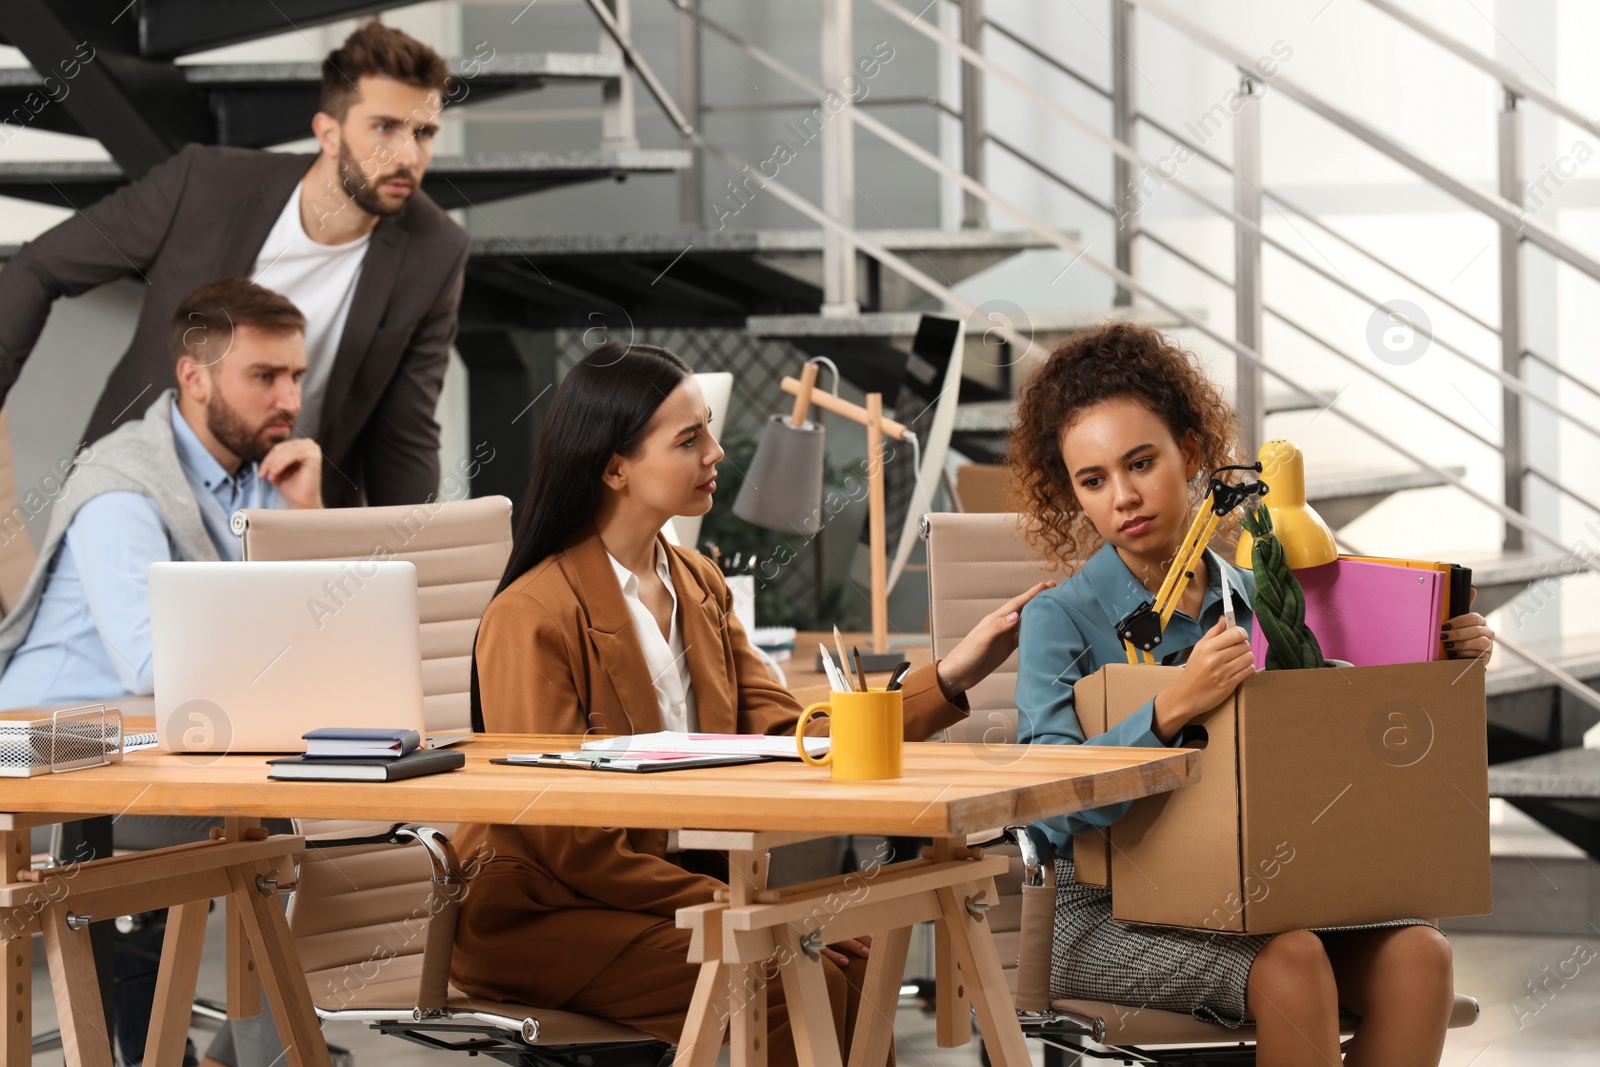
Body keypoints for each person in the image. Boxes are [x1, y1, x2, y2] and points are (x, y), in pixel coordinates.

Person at [451, 342, 1052, 1064]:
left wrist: (950, 676)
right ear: (614, 467)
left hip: (670, 898)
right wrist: (752, 911)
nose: (717, 452)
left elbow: (787, 733)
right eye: (689, 438)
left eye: (708, 428)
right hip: (548, 915)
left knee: (858, 972)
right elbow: (568, 841)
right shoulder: (533, 615)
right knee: (789, 983)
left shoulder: (697, 583)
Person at [1008, 322, 1495, 1067]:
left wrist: (1446, 662)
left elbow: (1344, 738)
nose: (1125, 496)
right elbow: (1051, 807)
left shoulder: (1261, 593)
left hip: (1266, 892)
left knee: (1420, 958)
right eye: (1094, 479)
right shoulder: (1058, 618)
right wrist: (1174, 707)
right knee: (1294, 962)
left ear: (1194, 456)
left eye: (1142, 462)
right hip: (1110, 908)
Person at [0, 276, 320, 1067]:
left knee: (322, 818)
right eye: (265, 376)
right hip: (36, 744)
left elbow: (317, 639)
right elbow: (155, 661)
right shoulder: (123, 487)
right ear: (194, 377)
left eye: (296, 377)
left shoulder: (260, 480)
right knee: (274, 829)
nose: (289, 398)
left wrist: (307, 523)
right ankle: (248, 1055)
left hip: (150, 740)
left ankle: (222, 1052)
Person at [0, 20, 468, 507]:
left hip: (286, 509)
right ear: (328, 133)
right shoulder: (204, 184)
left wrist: (411, 568)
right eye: (385, 127)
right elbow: (39, 267)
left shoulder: (435, 252)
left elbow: (404, 438)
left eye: (424, 132)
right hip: (139, 488)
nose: (408, 154)